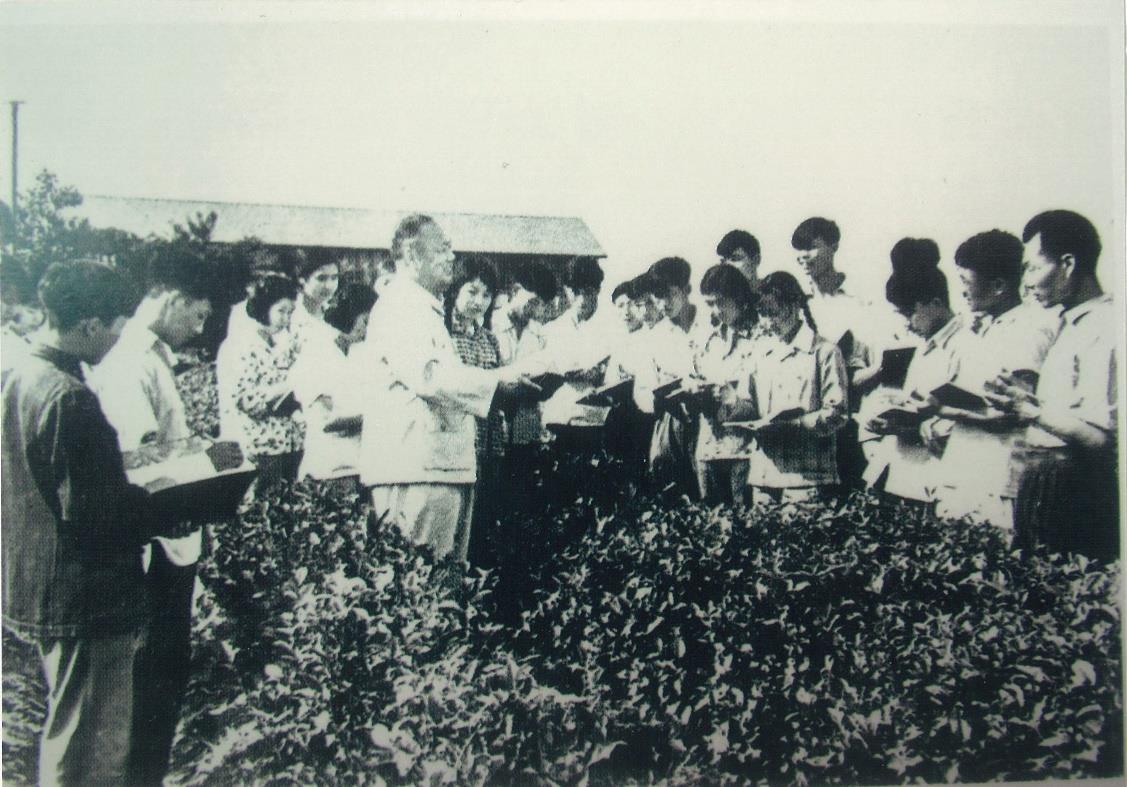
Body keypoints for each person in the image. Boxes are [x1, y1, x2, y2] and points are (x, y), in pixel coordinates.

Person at [85, 248, 236, 786]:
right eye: (198, 314)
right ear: (171, 298)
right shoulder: (130, 362)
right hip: (152, 547)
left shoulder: (150, 358)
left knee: (160, 683)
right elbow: (140, 461)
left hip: (169, 541)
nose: (200, 328)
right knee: (148, 687)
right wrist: (207, 467)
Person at [2, 260, 156, 785]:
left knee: (71, 722)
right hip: (87, 594)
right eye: (117, 326)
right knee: (91, 740)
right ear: (90, 325)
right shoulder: (70, 397)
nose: (118, 339)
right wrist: (167, 507)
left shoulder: (20, 375)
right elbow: (94, 515)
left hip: (42, 583)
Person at [356, 215, 533, 564]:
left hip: (441, 467)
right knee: (418, 581)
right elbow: (430, 376)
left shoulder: (422, 307)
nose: (451, 257)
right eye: (442, 248)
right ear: (412, 254)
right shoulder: (399, 305)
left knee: (445, 582)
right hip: (413, 470)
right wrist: (498, 385)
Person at [988, 210, 1119, 562]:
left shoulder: (1103, 327)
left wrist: (1030, 412)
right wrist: (1024, 401)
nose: (1026, 283)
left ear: (1068, 264)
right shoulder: (1072, 324)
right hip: (1049, 482)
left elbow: (1103, 440)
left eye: (1032, 268)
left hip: (1076, 491)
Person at [929, 230, 1059, 529]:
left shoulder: (1029, 329)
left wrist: (942, 410)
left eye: (966, 282)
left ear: (999, 286)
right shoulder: (985, 328)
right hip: (965, 473)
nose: (962, 292)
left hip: (996, 478)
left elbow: (1012, 415)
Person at [860, 240, 963, 509]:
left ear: (935, 303)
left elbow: (960, 418)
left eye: (910, 314)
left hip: (933, 481)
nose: (907, 324)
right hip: (900, 476)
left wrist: (911, 427)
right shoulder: (920, 345)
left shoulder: (964, 345)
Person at [739, 271, 848, 504]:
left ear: (795, 304)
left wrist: (795, 425)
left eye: (773, 313)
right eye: (763, 314)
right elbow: (747, 404)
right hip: (764, 478)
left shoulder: (825, 352)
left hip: (808, 478)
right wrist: (729, 404)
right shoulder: (758, 354)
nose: (768, 323)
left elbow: (837, 413)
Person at [790, 216, 879, 493]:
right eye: (799, 249)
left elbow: (872, 361)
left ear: (834, 246)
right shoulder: (797, 305)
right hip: (808, 423)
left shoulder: (860, 302)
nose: (804, 256)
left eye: (811, 247)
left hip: (849, 420)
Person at [442, 256, 508, 567]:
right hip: (455, 444)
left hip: (488, 444)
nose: (479, 301)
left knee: (482, 525)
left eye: (486, 294)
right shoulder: (443, 337)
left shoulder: (489, 339)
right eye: (472, 291)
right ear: (455, 290)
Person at [687, 265, 761, 505]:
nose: (717, 311)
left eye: (721, 302)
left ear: (739, 297)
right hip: (709, 447)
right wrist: (694, 389)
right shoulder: (708, 340)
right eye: (710, 304)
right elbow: (693, 374)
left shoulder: (761, 338)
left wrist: (733, 398)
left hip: (746, 450)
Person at [224, 274, 305, 485]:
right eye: (281, 311)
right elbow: (245, 400)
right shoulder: (244, 345)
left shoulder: (283, 345)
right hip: (262, 444)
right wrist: (280, 392)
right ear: (264, 308)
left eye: (290, 312)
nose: (286, 319)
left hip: (291, 442)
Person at [292, 282, 377, 483]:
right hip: (328, 465)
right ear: (348, 315)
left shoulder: (361, 352)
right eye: (365, 321)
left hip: (363, 464)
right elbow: (327, 419)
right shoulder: (316, 350)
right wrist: (375, 414)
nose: (368, 329)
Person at [645, 257, 701, 498]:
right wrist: (655, 395)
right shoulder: (656, 336)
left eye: (669, 295)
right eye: (657, 298)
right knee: (675, 495)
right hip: (672, 423)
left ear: (686, 289)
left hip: (707, 422)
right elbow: (643, 388)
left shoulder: (708, 325)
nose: (663, 304)